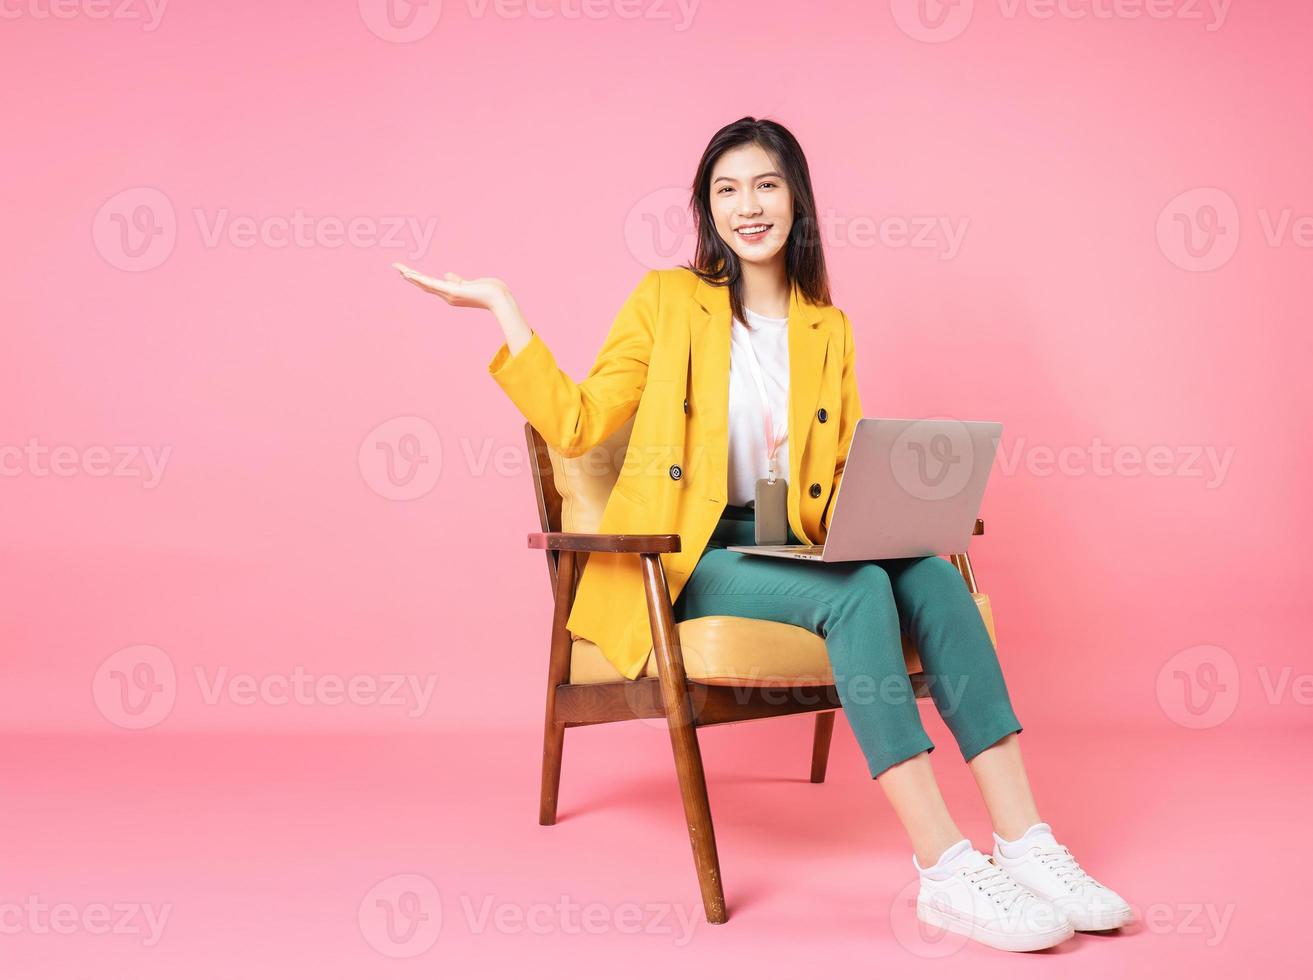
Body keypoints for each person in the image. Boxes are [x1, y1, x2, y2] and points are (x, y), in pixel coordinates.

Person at [394, 116, 1132, 952]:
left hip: (780, 540)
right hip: (682, 555)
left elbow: (838, 472)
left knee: (930, 575)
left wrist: (886, 499)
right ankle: (945, 870)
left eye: (765, 185)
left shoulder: (828, 327)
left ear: (795, 199)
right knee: (857, 594)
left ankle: (1027, 843)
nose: (747, 206)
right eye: (726, 189)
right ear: (708, 210)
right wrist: (504, 311)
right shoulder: (667, 301)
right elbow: (577, 423)